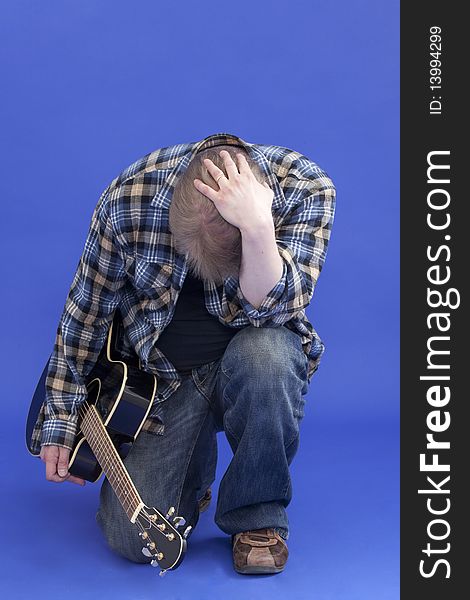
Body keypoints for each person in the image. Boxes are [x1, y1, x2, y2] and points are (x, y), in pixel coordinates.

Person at [29, 131, 336, 574]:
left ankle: (257, 517)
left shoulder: (306, 189)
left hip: (255, 363)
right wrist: (60, 414)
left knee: (268, 357)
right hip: (164, 382)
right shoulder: (130, 197)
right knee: (133, 541)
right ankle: (194, 479)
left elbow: (278, 305)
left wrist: (257, 228)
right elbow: (86, 314)